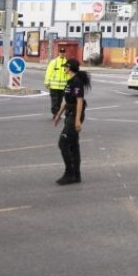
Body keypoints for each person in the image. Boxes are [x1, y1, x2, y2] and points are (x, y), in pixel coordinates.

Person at [52, 57, 90, 185]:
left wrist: (78, 120)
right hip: (69, 114)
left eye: (65, 66)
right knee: (73, 145)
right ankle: (76, 175)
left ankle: (69, 173)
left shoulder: (76, 82)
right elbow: (66, 100)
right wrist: (58, 115)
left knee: (63, 143)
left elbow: (79, 101)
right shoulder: (69, 81)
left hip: (75, 115)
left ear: (70, 67)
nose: (64, 68)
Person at [45, 45, 69, 116]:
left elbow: (69, 75)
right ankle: (55, 113)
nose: (62, 53)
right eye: (61, 52)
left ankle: (57, 112)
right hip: (53, 86)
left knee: (60, 101)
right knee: (54, 100)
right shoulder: (54, 62)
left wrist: (70, 84)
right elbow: (48, 72)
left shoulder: (67, 63)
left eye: (63, 52)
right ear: (58, 53)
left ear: (65, 53)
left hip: (62, 87)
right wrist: (47, 82)